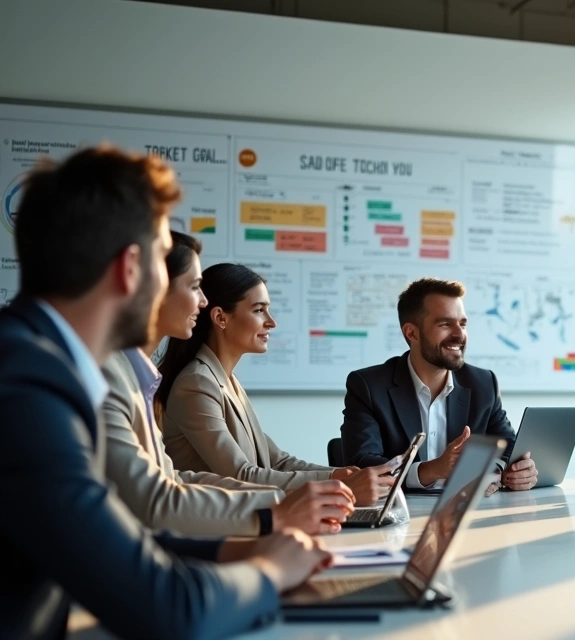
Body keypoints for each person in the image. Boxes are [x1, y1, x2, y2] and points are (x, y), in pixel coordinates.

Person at [0, 146, 330, 639]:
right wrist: (272, 572)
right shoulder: (26, 388)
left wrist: (233, 550)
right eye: (161, 256)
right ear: (129, 268)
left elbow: (116, 536)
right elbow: (170, 611)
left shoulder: (37, 361)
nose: (197, 297)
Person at [101, 231, 356, 536]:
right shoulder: (188, 381)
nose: (203, 301)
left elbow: (270, 461)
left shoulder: (222, 379)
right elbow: (233, 475)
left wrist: (338, 480)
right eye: (195, 288)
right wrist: (282, 508)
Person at [158, 263, 396, 506]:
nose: (271, 322)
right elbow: (242, 475)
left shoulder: (226, 380)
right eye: (259, 310)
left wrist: (340, 474)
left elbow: (277, 461)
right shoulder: (196, 383)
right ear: (220, 317)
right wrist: (339, 485)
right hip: (212, 525)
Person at [340, 277, 536, 492]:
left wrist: (504, 472)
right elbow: (361, 462)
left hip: (467, 510)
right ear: (412, 333)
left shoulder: (483, 383)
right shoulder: (369, 386)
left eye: (462, 323)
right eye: (445, 324)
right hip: (399, 513)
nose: (459, 334)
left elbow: (508, 446)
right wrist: (432, 470)